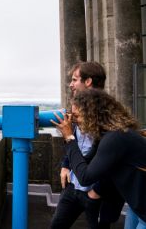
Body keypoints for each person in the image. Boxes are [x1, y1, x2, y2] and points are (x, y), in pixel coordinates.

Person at [53, 89, 146, 228]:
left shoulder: (115, 138)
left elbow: (85, 178)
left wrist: (69, 138)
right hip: (137, 206)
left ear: (93, 115)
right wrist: (67, 154)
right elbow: (84, 162)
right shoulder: (109, 135)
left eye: (77, 116)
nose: (74, 122)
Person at [51, 61, 123, 229]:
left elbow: (114, 159)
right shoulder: (78, 104)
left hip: (97, 192)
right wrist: (66, 165)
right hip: (74, 184)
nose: (71, 84)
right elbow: (73, 138)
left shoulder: (108, 113)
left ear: (88, 81)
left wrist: (96, 191)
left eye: (75, 79)